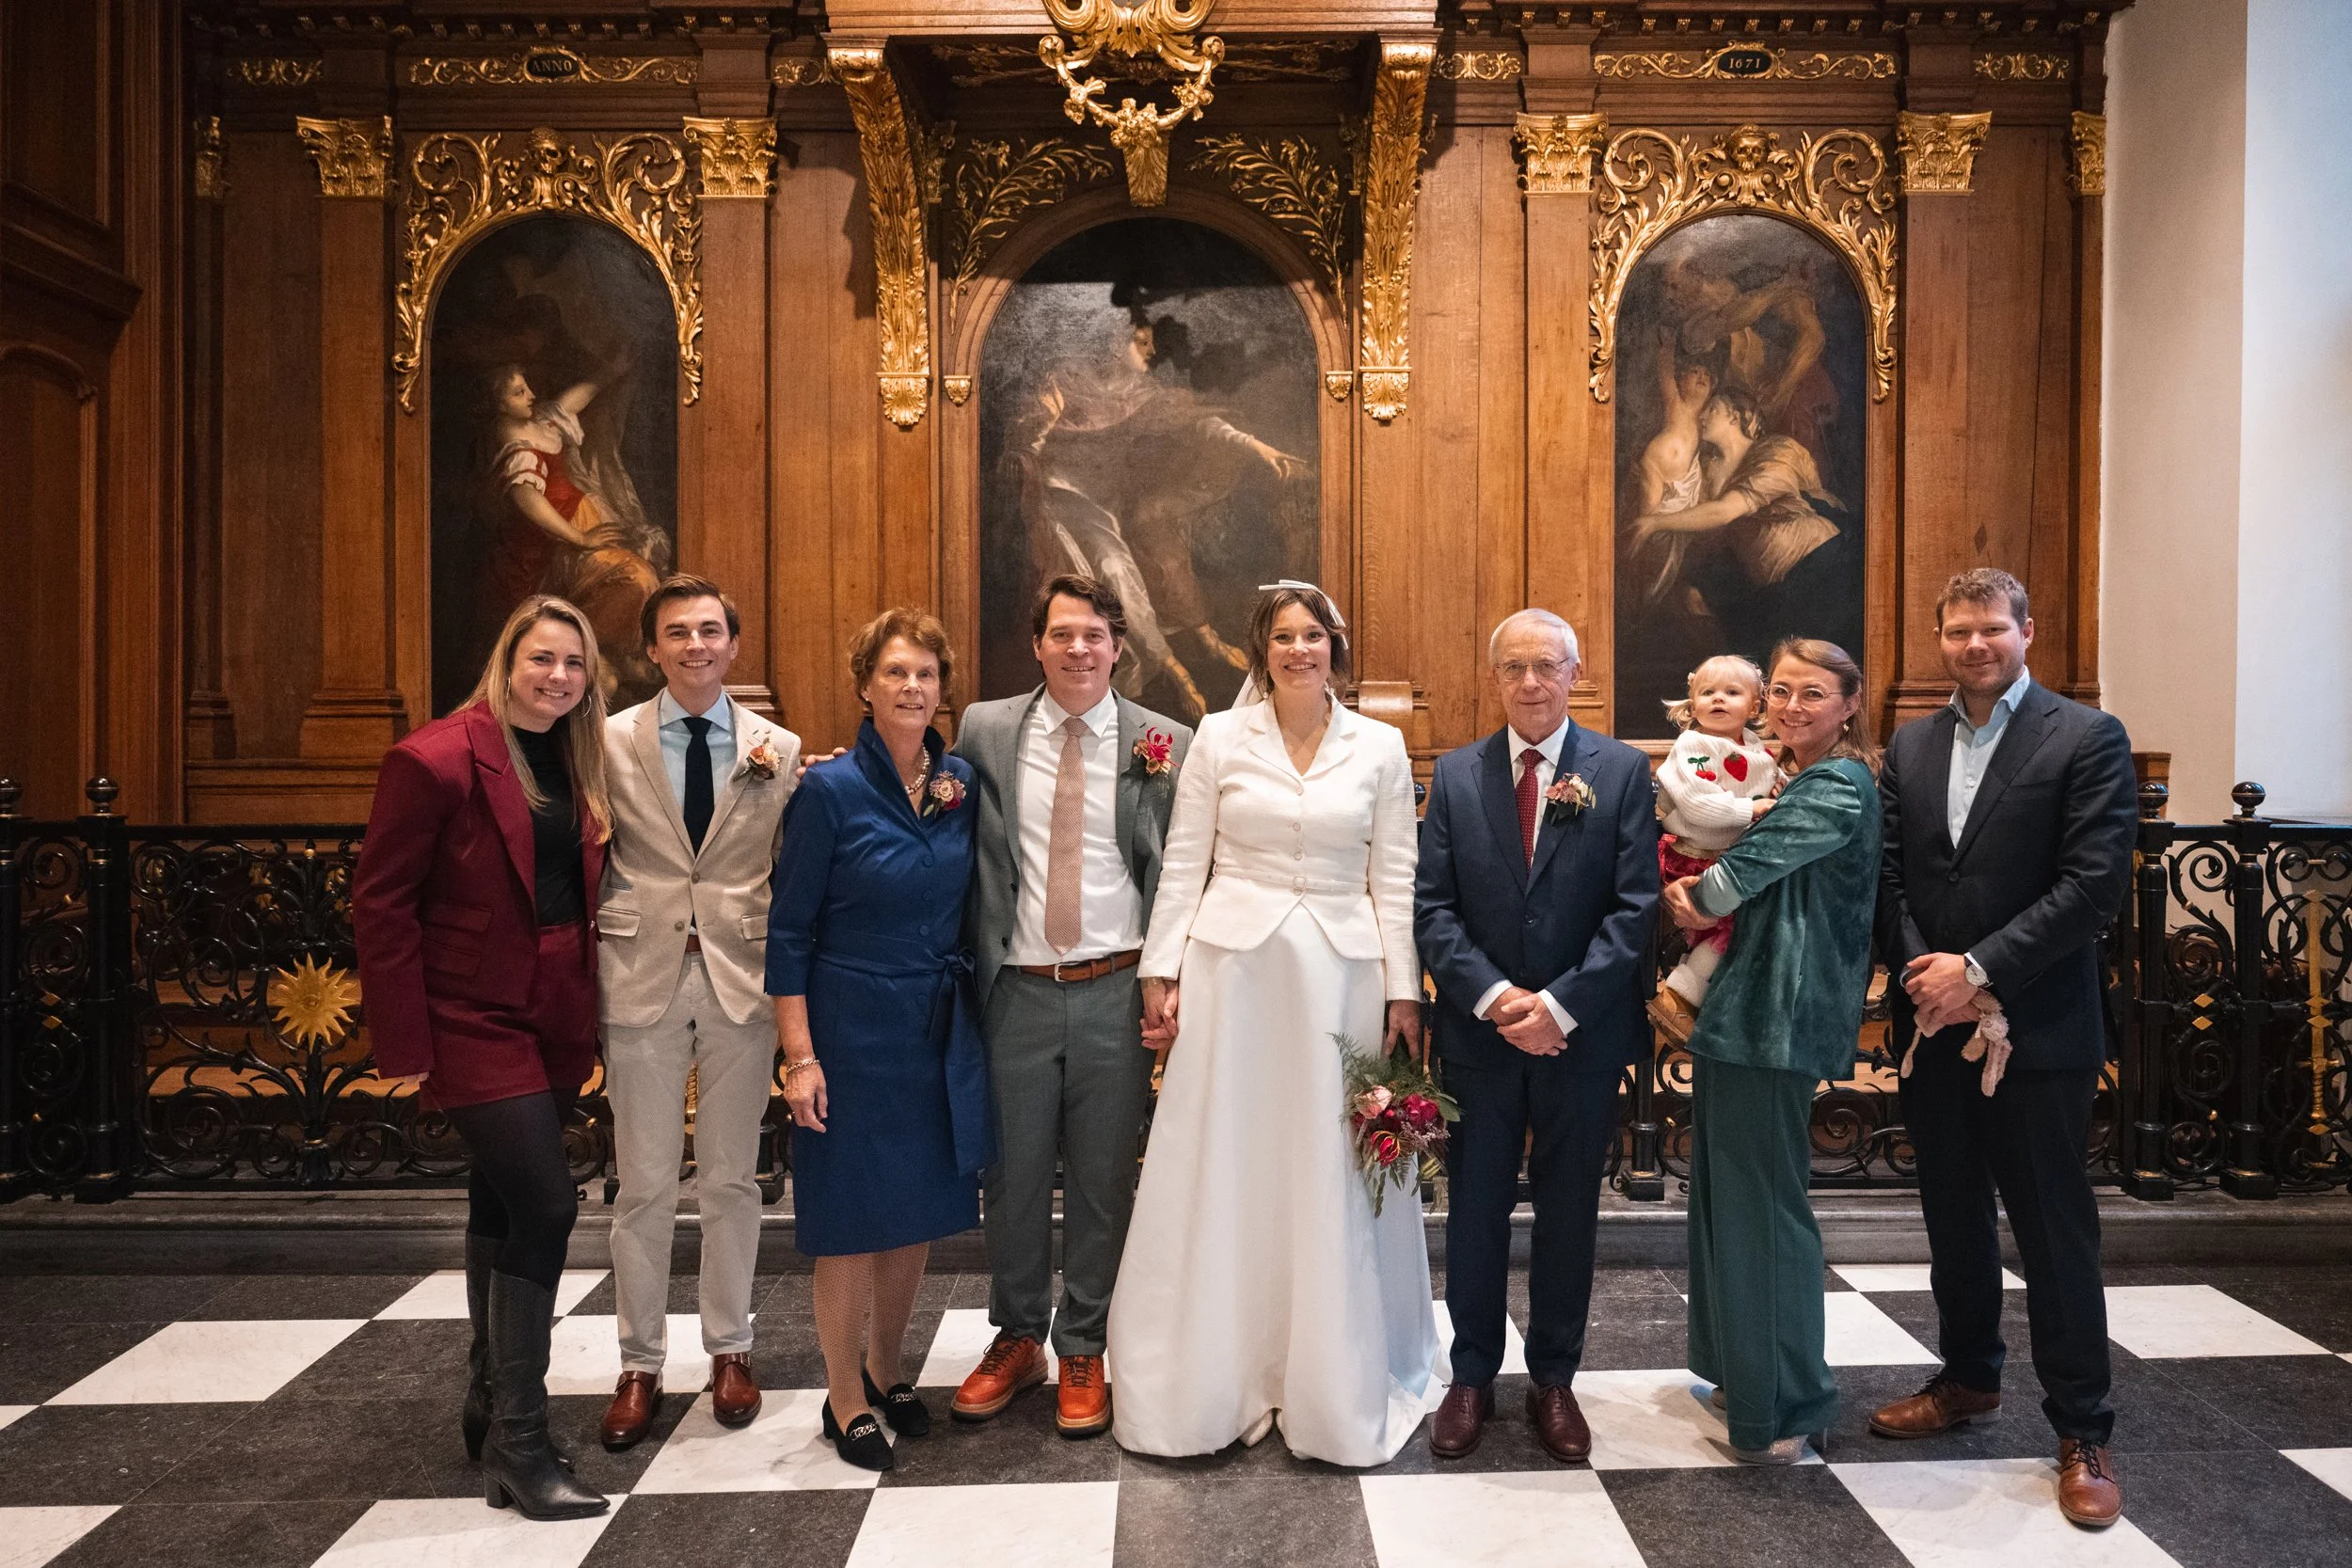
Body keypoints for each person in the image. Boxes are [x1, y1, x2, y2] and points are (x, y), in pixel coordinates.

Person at [1107, 581, 1442, 1466]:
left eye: (1315, 635)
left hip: (1342, 972)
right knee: (1230, 1152)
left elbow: (1395, 876)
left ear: (1336, 645)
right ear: (1262, 650)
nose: (1301, 649)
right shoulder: (1220, 735)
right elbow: (1186, 860)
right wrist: (1161, 969)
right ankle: (1220, 1368)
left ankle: (1331, 1370)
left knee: (1331, 1157)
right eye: (1284, 637)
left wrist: (1404, 990)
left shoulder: (1379, 742)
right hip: (1235, 970)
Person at [1872, 568, 2137, 1529]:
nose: (1974, 644)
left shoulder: (2084, 736)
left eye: (1991, 628)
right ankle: (1969, 1378)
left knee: (2053, 1229)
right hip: (1935, 1026)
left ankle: (2083, 1425)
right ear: (1938, 637)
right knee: (1953, 1216)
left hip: (2037, 1028)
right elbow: (1892, 876)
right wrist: (1920, 977)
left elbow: (2092, 883)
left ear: (2027, 630)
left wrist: (1976, 971)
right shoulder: (1910, 741)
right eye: (1957, 630)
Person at [352, 595, 613, 1521]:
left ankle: (487, 1391)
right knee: (548, 1200)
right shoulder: (432, 758)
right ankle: (522, 1440)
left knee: (501, 1196)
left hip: (553, 1004)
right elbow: (380, 903)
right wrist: (404, 1044)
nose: (557, 676)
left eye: (574, 664)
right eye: (541, 658)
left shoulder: (580, 755)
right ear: (507, 661)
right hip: (469, 1010)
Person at [947, 574, 1192, 1438]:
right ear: (1037, 644)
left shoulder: (1167, 740)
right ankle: (1017, 1337)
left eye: (1094, 634)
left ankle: (1083, 1338)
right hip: (1013, 987)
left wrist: (1172, 981)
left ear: (1117, 646)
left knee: (1101, 1176)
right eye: (1062, 634)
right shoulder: (983, 729)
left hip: (1115, 989)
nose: (1078, 649)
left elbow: (1182, 870)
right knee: (1008, 1176)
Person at [1415, 610, 1661, 1463]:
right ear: (1495, 678)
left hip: (1580, 1038)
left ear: (1574, 671)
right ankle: (1472, 1374)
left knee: (1569, 1212)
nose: (1530, 680)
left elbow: (1637, 908)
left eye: (1546, 665)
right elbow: (1433, 909)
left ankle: (1554, 1379)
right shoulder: (1453, 776)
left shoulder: (1624, 773)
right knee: (1474, 1209)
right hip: (1482, 1039)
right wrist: (1494, 999)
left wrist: (1557, 1006)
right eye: (1514, 666)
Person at [766, 610, 991, 1472]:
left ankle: (889, 1369)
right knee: (852, 1219)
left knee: (918, 1211)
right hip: (849, 1026)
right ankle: (843, 1395)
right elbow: (788, 933)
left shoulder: (959, 781)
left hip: (935, 1025)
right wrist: (801, 1055)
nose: (912, 688)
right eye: (896, 672)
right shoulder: (827, 792)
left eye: (927, 674)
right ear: (865, 684)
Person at [594, 576, 803, 1450]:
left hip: (738, 974)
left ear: (733, 643)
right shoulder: (607, 741)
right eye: (676, 632)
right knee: (640, 1182)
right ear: (652, 649)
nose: (695, 645)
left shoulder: (777, 748)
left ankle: (731, 1348)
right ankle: (639, 1361)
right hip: (639, 968)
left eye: (710, 630)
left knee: (730, 1179)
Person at [1661, 637, 1881, 1465]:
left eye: (1813, 693)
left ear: (1850, 703)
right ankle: (1740, 1375)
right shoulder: (1792, 774)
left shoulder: (1839, 783)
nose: (1792, 706)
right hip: (1743, 1010)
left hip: (1777, 1016)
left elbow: (1748, 866)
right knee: (1724, 1197)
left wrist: (1697, 895)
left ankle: (1788, 1399)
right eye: (1782, 691)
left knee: (1764, 1208)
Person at [1626, 386, 1862, 664]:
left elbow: (1726, 511)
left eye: (1713, 409)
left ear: (1741, 416)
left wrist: (1654, 523)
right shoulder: (1710, 468)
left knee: (1819, 665)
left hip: (1824, 568)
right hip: (1775, 584)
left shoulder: (1776, 452)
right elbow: (1697, 520)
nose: (1703, 417)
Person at [1647, 654, 1781, 1045]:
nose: (1717, 699)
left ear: (1755, 706)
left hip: (1729, 857)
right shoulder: (1692, 745)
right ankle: (1679, 993)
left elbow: (1768, 778)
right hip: (1693, 856)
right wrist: (1750, 808)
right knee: (1730, 925)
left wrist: (1781, 790)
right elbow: (1696, 805)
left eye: (1731, 692)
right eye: (1707, 693)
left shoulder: (1757, 748)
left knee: (1736, 929)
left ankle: (1701, 995)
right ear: (1692, 704)